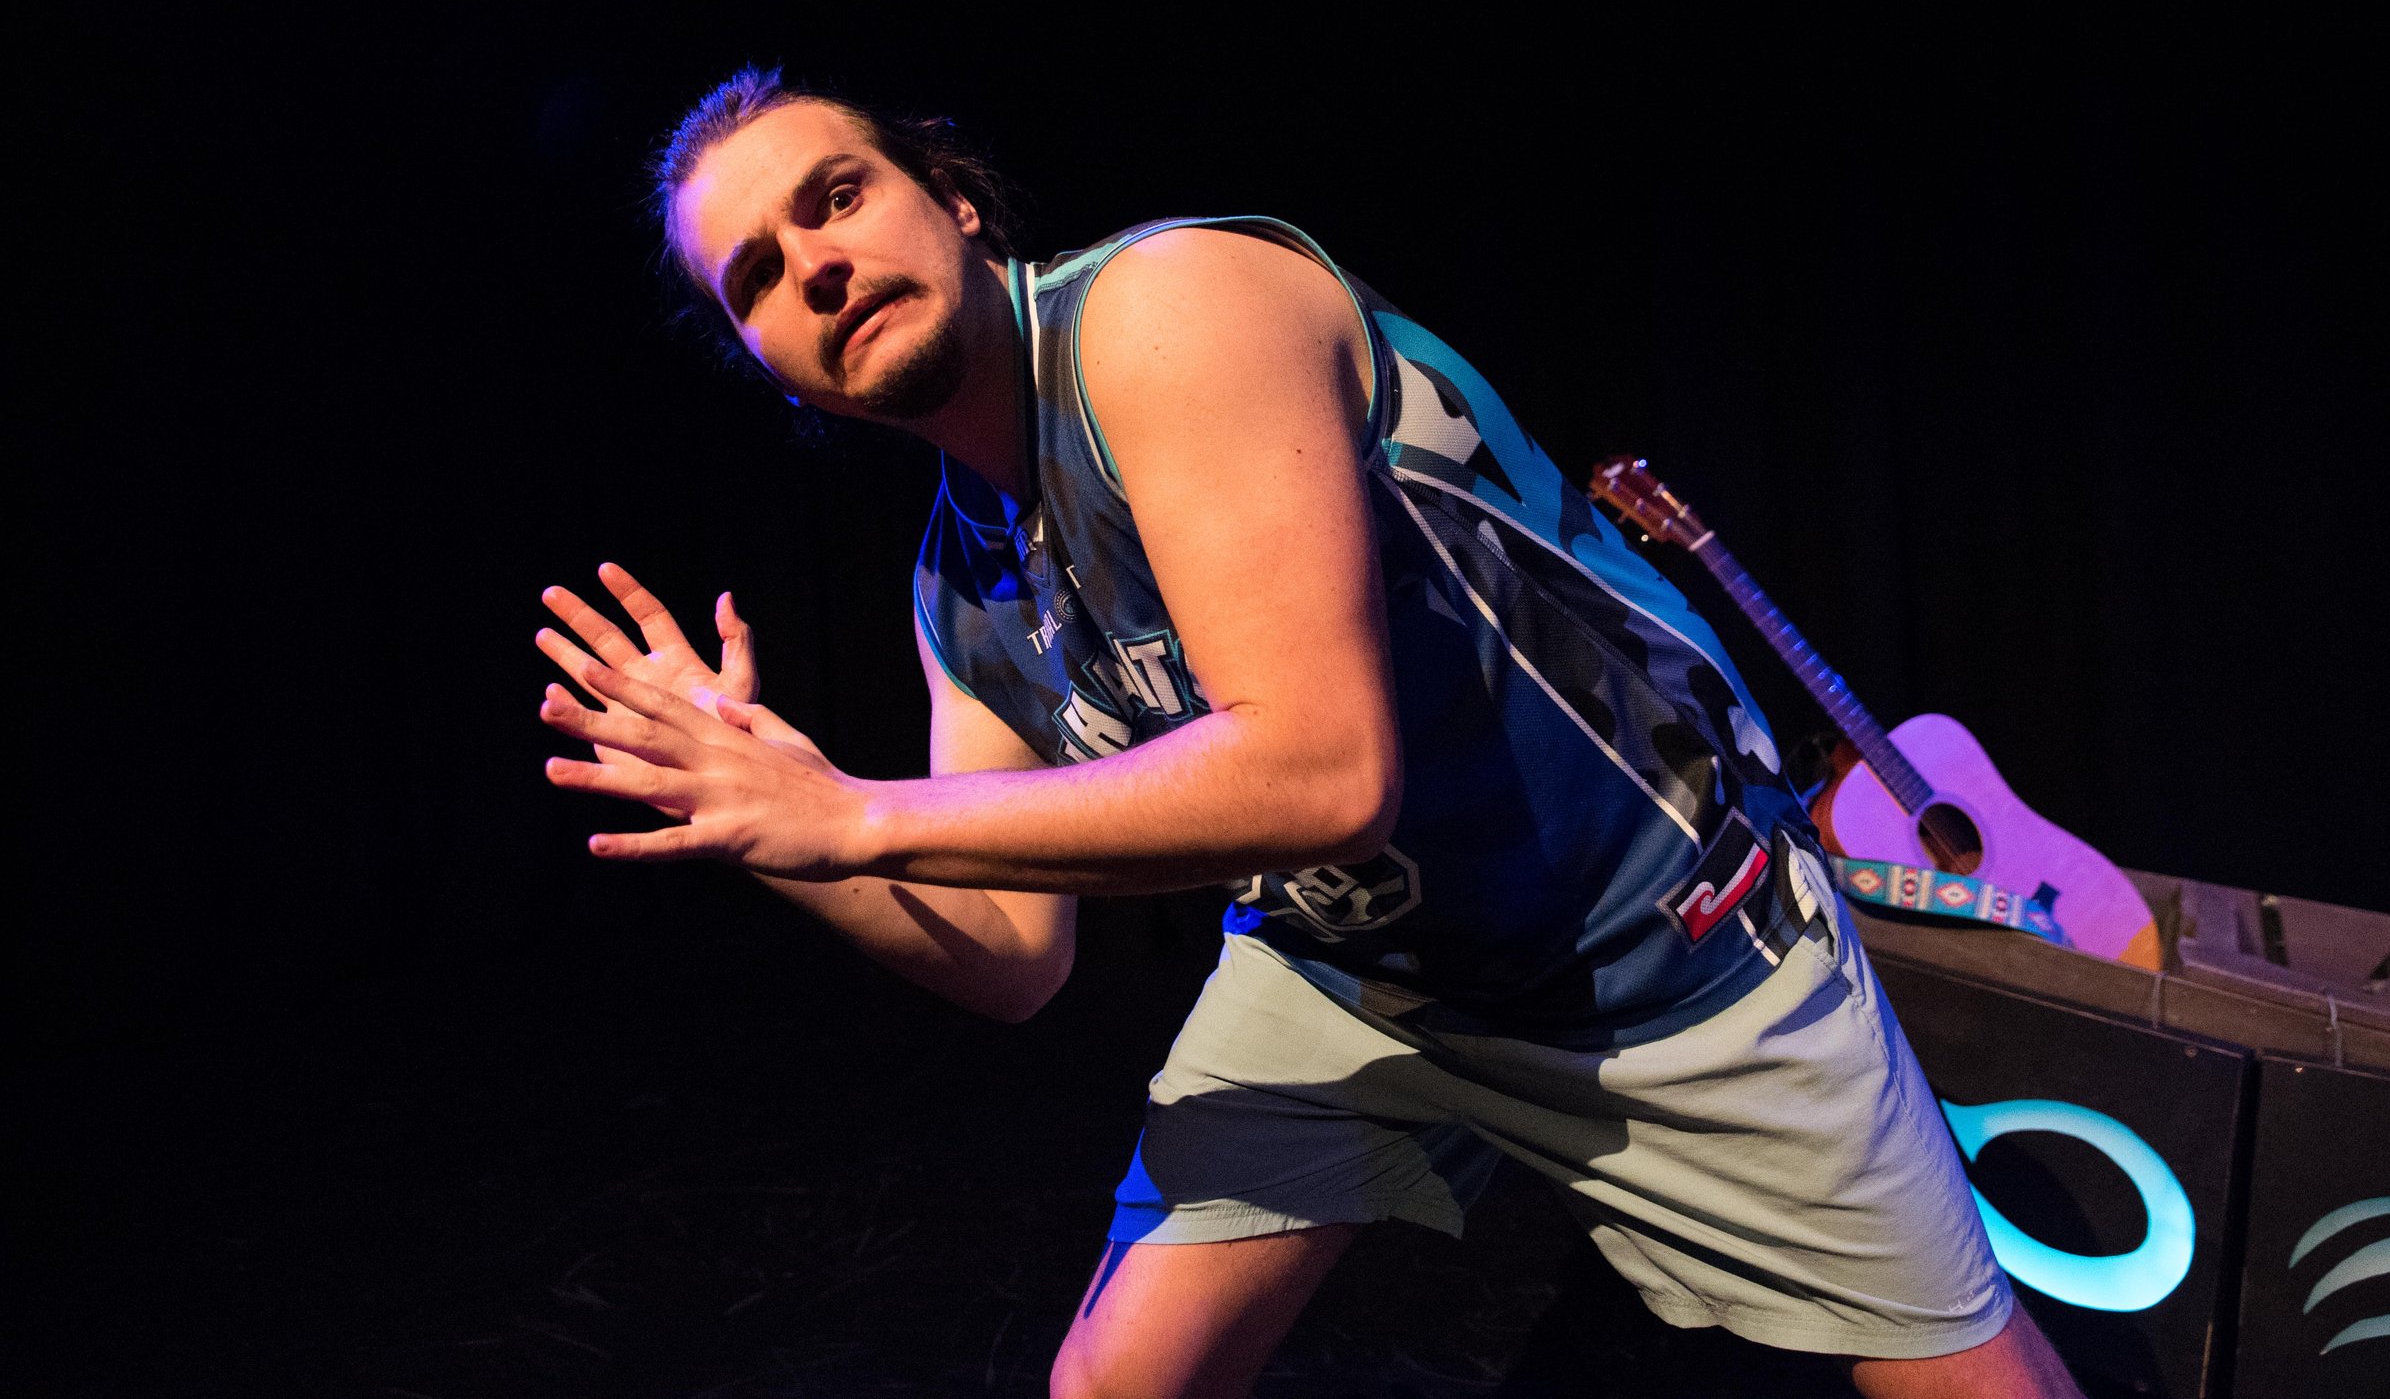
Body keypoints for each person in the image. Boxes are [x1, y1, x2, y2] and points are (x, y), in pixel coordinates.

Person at [533, 68, 2082, 1399]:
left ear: (956, 201)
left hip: (1662, 946)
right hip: (1361, 971)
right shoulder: (963, 580)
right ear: (764, 365)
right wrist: (760, 819)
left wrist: (856, 815)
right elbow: (1009, 955)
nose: (815, 266)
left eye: (838, 196)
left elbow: (1321, 773)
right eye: (756, 275)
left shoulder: (1166, 312)